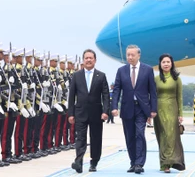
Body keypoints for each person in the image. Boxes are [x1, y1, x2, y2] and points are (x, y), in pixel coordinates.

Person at [112, 44, 157, 174]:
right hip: (127, 108)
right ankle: (133, 162)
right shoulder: (121, 71)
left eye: (132, 55)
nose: (130, 57)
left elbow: (152, 91)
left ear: (138, 55)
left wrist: (153, 109)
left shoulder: (147, 70)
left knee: (139, 134)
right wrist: (114, 107)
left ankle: (139, 163)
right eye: (128, 55)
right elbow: (116, 91)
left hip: (142, 109)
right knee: (130, 136)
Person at [68, 49, 110, 173]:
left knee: (96, 138)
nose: (88, 60)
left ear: (95, 60)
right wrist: (70, 113)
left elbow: (106, 95)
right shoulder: (76, 75)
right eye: (86, 58)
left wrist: (105, 111)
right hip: (80, 112)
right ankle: (79, 162)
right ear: (83, 60)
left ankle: (94, 162)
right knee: (80, 138)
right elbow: (71, 96)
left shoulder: (101, 76)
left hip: (96, 113)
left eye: (91, 58)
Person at [154, 53, 185, 173]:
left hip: (172, 109)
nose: (166, 64)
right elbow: (152, 96)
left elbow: (180, 97)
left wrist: (180, 114)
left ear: (172, 64)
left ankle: (172, 161)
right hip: (159, 110)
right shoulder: (156, 79)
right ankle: (164, 164)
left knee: (172, 137)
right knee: (162, 136)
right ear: (160, 64)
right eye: (163, 62)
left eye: (168, 62)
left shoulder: (177, 79)